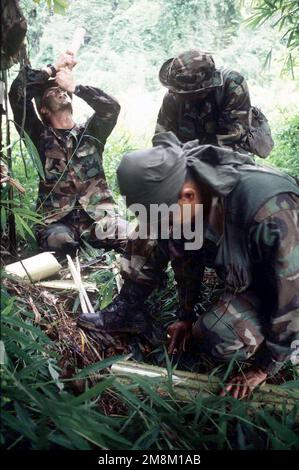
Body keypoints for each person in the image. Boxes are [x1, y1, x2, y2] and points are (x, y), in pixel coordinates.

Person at [78, 132, 299, 398]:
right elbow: (184, 252)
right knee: (149, 230)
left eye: (168, 218)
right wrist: (185, 314)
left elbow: (293, 297)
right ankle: (129, 308)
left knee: (219, 335)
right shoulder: (185, 185)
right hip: (249, 266)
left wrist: (265, 367)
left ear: (187, 195)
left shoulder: (270, 211)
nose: (166, 227)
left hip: (285, 283)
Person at [9, 51, 127, 254]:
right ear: (43, 109)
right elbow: (17, 94)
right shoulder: (38, 137)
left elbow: (111, 107)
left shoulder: (91, 133)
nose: (60, 91)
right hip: (57, 222)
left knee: (132, 236)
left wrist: (75, 87)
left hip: (99, 218)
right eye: (53, 91)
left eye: (63, 90)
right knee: (61, 243)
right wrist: (53, 68)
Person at [154, 49, 273, 157]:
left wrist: (197, 154)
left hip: (227, 153)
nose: (174, 94)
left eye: (183, 93)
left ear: (201, 91)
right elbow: (162, 137)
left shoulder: (232, 85)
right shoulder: (173, 95)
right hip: (185, 156)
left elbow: (236, 134)